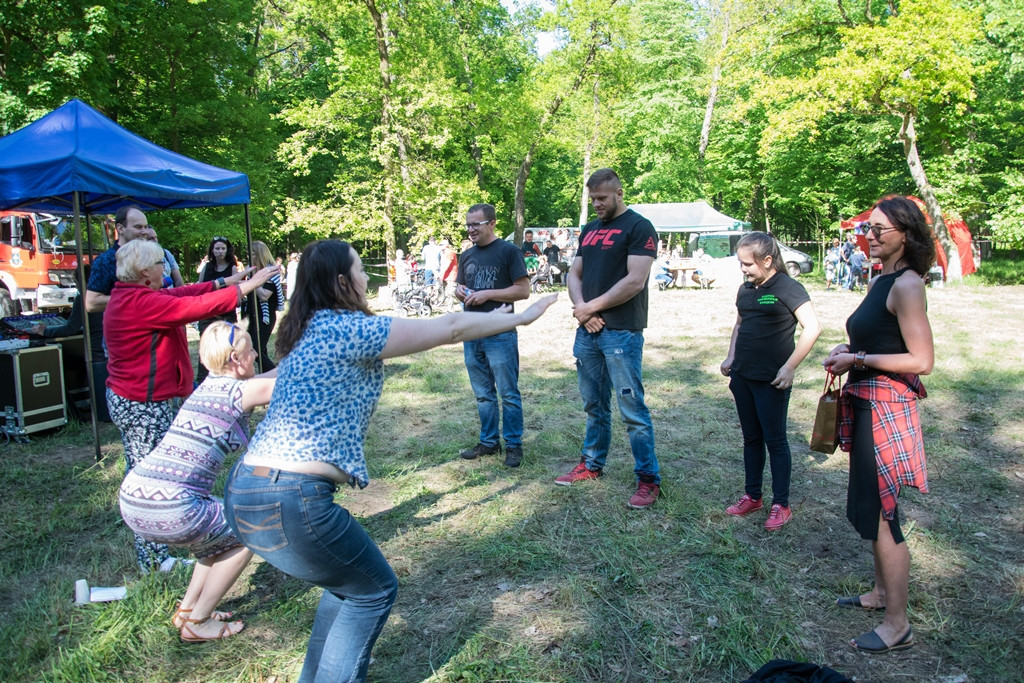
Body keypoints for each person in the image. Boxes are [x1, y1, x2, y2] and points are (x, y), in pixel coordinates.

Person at [223, 239, 556, 682]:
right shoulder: (349, 330)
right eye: (361, 270)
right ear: (343, 281)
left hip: (246, 488)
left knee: (346, 586)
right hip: (290, 499)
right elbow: (451, 329)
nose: (366, 278)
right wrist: (522, 317)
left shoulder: (306, 330)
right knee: (374, 590)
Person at [104, 238, 277, 572]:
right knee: (155, 480)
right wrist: (245, 289)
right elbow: (190, 309)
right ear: (144, 272)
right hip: (142, 402)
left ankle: (167, 549)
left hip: (140, 397)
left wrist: (227, 282)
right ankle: (155, 560)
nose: (165, 268)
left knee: (156, 474)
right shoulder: (138, 303)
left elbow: (181, 295)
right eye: (160, 264)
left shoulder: (135, 295)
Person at [824, 195, 934, 654]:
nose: (867, 236)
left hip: (887, 410)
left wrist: (859, 357)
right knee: (871, 506)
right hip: (866, 403)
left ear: (904, 235)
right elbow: (875, 337)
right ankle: (881, 593)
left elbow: (922, 360)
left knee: (886, 513)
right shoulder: (881, 277)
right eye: (865, 229)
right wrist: (846, 353)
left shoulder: (907, 284)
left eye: (877, 230)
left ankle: (897, 624)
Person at [119, 322, 275, 642]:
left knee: (216, 535)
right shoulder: (236, 392)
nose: (257, 354)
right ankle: (199, 622)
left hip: (136, 496)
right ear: (235, 358)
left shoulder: (210, 386)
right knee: (252, 528)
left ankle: (188, 611)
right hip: (171, 506)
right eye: (250, 350)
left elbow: (271, 376)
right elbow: (291, 382)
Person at [555, 168, 662, 509]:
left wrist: (590, 309)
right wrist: (582, 310)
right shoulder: (588, 229)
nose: (597, 205)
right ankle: (591, 464)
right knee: (593, 405)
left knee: (632, 408)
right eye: (593, 200)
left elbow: (635, 281)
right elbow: (574, 274)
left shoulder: (639, 227)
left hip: (622, 332)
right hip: (588, 332)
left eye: (602, 198)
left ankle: (648, 479)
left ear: (618, 193)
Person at [720, 233, 822, 531]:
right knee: (751, 438)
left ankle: (781, 504)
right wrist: (730, 357)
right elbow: (740, 324)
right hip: (743, 376)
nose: (743, 269)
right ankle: (753, 496)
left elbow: (813, 327)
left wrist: (790, 367)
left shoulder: (788, 287)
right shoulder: (746, 289)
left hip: (772, 380)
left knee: (775, 441)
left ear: (767, 260)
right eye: (741, 263)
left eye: (748, 263)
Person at [455, 204, 530, 467]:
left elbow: (523, 291)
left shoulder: (509, 252)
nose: (471, 229)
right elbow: (459, 285)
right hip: (471, 330)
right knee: (483, 393)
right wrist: (460, 291)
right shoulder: (466, 255)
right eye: (468, 225)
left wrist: (487, 294)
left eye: (476, 224)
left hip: (499, 332)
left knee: (508, 392)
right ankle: (489, 442)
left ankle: (513, 445)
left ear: (492, 223)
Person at [84, 205, 152, 315]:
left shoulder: (149, 255)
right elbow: (92, 303)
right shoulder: (105, 260)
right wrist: (136, 299)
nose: (145, 232)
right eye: (138, 227)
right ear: (120, 228)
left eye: (146, 227)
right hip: (124, 328)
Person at [196, 236, 243, 383]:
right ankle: (202, 381)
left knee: (227, 347)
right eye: (217, 248)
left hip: (226, 312)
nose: (220, 251)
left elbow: (237, 290)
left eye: (223, 248)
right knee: (206, 346)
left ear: (227, 250)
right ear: (212, 250)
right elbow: (200, 287)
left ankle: (227, 378)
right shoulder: (207, 267)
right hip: (208, 311)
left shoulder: (233, 267)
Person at [243, 240, 285, 372]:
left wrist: (252, 282)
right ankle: (267, 379)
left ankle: (277, 377)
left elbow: (264, 295)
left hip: (264, 318)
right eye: (250, 254)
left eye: (254, 254)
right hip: (252, 315)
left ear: (261, 254)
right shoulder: (255, 272)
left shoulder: (271, 272)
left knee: (256, 351)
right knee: (261, 351)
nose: (251, 257)